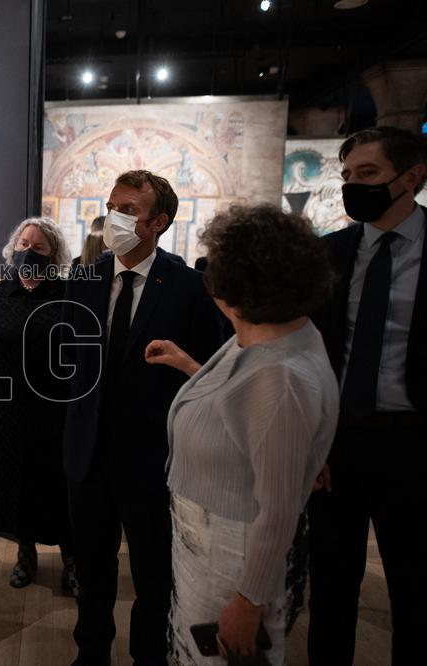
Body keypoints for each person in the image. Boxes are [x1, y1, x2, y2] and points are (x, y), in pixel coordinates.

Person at [145, 204, 339, 665]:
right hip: (209, 546)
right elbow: (240, 404)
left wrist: (248, 603)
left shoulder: (281, 379)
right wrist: (190, 365)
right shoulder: (268, 330)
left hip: (232, 560)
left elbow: (278, 511)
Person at [59, 170, 225, 665]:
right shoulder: (82, 280)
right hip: (87, 454)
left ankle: (147, 659)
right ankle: (91, 655)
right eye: (112, 205)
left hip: (155, 459)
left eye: (129, 210)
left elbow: (213, 376)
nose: (115, 217)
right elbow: (70, 365)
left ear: (159, 222)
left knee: (154, 577)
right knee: (92, 572)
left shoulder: (191, 287)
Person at [308, 126, 427, 665]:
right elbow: (308, 356)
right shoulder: (331, 253)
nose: (355, 185)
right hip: (340, 445)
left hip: (414, 447)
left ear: (412, 177)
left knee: (414, 593)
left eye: (369, 174)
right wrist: (313, 444)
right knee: (330, 589)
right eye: (348, 175)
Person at [0, 217, 79, 596]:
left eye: (39, 247)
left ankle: (71, 559)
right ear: (12, 248)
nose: (28, 251)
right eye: (23, 244)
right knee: (14, 483)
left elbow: (81, 353)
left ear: (54, 255)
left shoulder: (69, 296)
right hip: (6, 412)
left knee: (57, 484)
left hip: (56, 412)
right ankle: (25, 553)